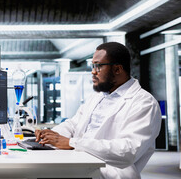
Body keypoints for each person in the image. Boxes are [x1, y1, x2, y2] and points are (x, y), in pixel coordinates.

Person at [35, 42, 161, 179]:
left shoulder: (144, 102)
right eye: (92, 66)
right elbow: (73, 124)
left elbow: (128, 151)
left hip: (109, 172)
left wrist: (71, 142)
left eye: (98, 66)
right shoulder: (98, 97)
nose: (93, 72)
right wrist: (50, 135)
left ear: (117, 69)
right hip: (80, 160)